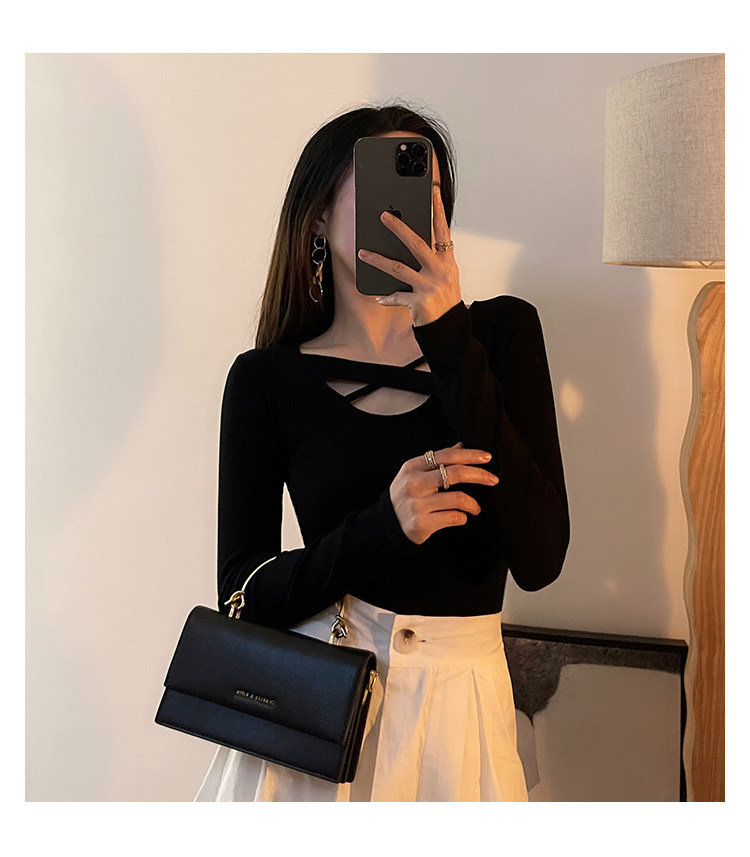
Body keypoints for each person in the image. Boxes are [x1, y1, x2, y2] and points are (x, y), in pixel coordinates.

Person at [193, 103, 569, 802]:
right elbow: (243, 596)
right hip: (320, 713)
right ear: (316, 217)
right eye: (383, 187)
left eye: (426, 192)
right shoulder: (267, 378)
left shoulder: (501, 337)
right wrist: (385, 527)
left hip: (461, 713)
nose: (406, 213)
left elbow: (542, 558)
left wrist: (447, 333)